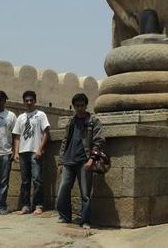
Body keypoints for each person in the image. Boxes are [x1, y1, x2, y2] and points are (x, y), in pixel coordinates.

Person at [56, 93, 105, 229]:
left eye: (82, 105)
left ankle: (85, 220)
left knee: (85, 194)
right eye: (77, 106)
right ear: (74, 106)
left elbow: (99, 141)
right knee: (63, 191)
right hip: (68, 161)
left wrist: (91, 160)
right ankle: (65, 216)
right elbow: (65, 142)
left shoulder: (93, 121)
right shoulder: (71, 122)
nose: (80, 108)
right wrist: (61, 161)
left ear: (86, 105)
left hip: (84, 162)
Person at [12, 90, 50, 215]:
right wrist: (16, 152)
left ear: (35, 101)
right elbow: (17, 136)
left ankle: (38, 205)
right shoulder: (21, 118)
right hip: (23, 152)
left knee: (37, 179)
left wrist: (40, 148)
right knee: (25, 181)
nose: (29, 102)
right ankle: (26, 206)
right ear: (24, 102)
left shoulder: (41, 115)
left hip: (35, 151)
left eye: (31, 100)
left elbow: (46, 133)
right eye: (26, 100)